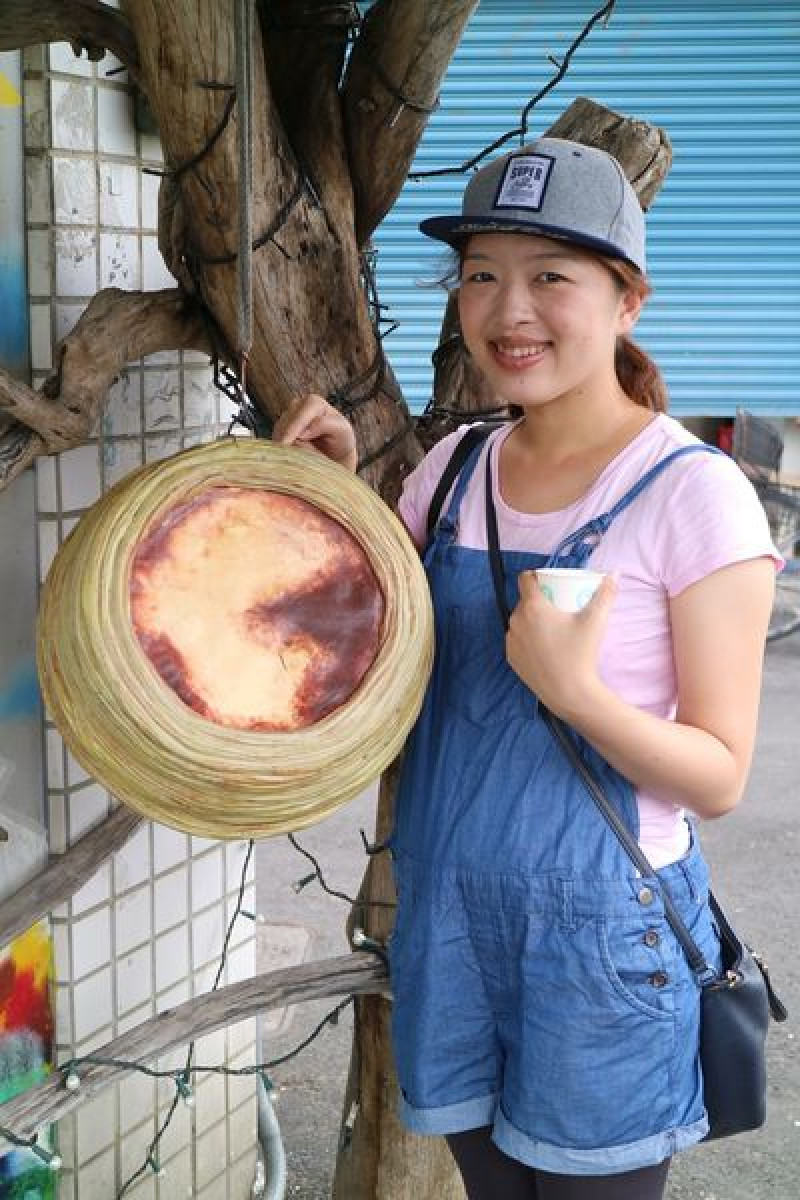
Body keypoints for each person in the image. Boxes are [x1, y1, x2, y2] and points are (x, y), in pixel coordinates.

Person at [274, 137, 779, 1200]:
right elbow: (381, 642)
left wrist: (576, 694)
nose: (510, 310)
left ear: (625, 300)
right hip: (447, 918)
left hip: (599, 951)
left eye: (551, 276)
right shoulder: (454, 470)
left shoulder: (695, 496)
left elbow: (719, 776)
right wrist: (329, 504)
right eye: (481, 274)